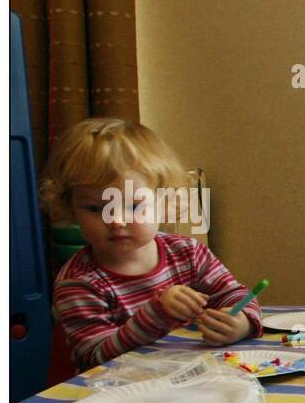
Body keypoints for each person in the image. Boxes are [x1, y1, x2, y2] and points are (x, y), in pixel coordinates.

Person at [43, 118, 261, 372]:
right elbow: (95, 357)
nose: (116, 220)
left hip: (189, 382)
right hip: (117, 398)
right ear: (70, 209)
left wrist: (242, 322)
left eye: (134, 206)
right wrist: (156, 314)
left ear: (165, 203)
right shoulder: (79, 282)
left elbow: (236, 295)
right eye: (95, 208)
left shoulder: (187, 253)